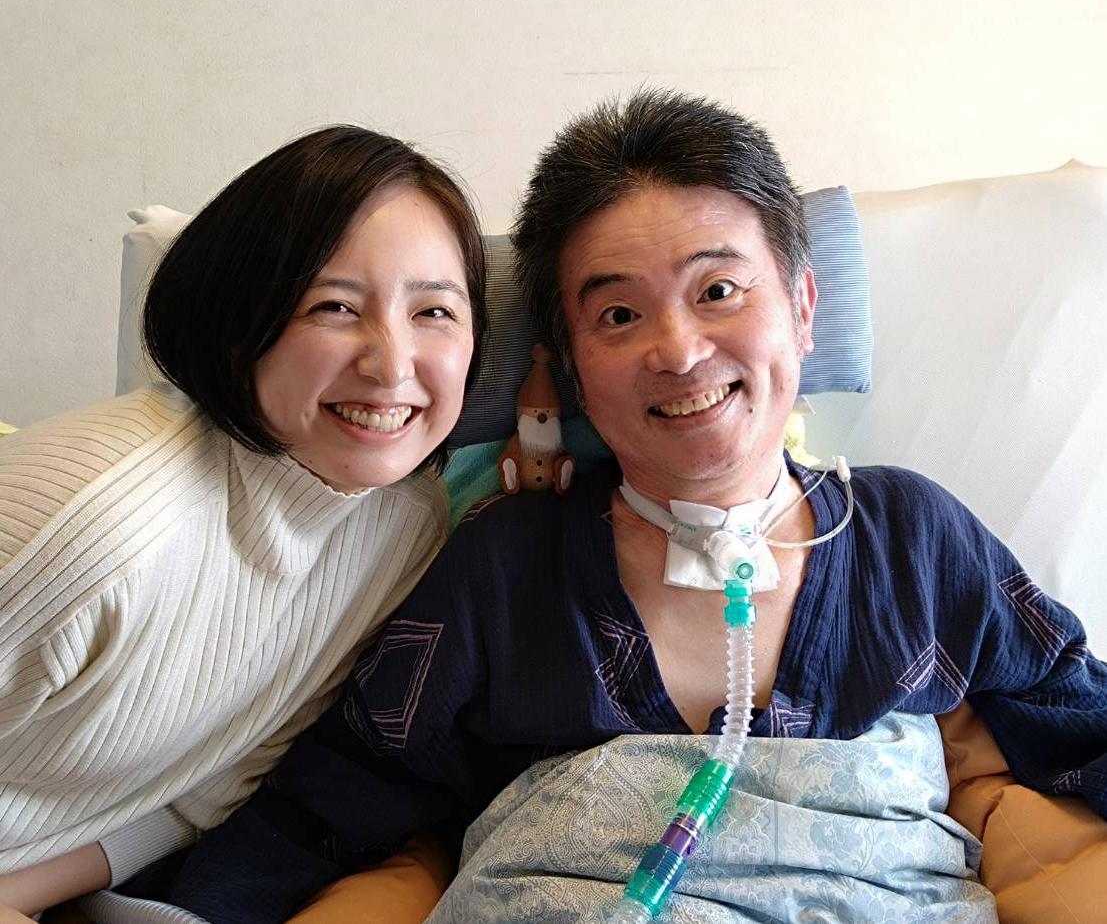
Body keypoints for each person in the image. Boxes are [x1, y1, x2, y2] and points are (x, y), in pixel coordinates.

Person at [155, 91, 1107, 922]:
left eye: (718, 289)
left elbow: (1079, 719)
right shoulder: (506, 567)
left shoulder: (911, 539)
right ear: (571, 366)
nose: (679, 350)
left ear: (803, 306)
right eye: (617, 314)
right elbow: (328, 802)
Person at [0, 125, 487, 920]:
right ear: (237, 328)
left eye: (434, 311)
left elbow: (191, 797)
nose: (392, 363)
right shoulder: (91, 527)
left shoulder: (402, 527)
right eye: (334, 306)